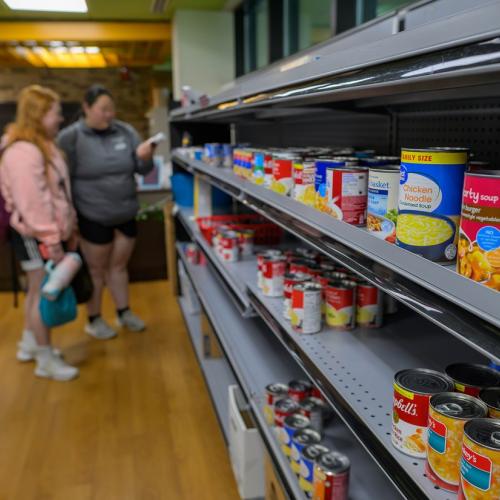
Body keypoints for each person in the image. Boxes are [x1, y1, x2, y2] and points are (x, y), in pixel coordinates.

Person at [58, 85, 155, 340]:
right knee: (96, 271)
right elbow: (61, 178)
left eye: (111, 109)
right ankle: (94, 319)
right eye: (103, 109)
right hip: (93, 215)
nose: (109, 114)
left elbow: (143, 170)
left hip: (125, 212)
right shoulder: (71, 137)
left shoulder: (126, 131)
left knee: (120, 267)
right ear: (87, 108)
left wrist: (145, 158)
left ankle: (124, 312)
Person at [0, 85, 79, 381]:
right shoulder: (23, 152)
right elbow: (33, 203)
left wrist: (70, 225)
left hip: (45, 231)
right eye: (56, 113)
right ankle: (45, 358)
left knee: (35, 289)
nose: (60, 118)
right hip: (36, 234)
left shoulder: (42, 145)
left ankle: (30, 343)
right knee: (43, 290)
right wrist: (51, 239)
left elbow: (57, 193)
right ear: (39, 114)